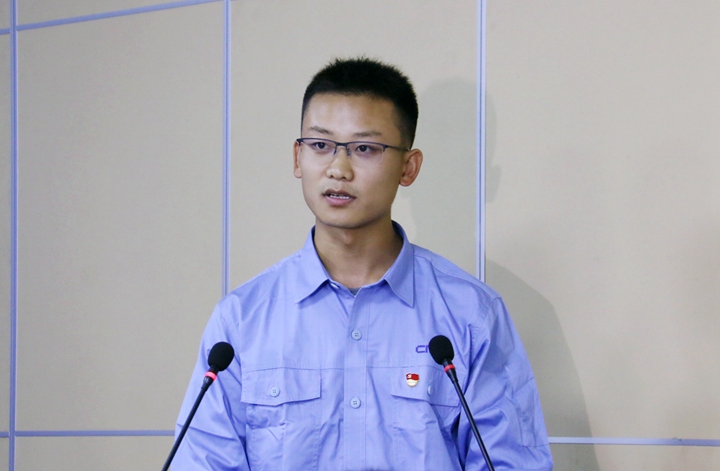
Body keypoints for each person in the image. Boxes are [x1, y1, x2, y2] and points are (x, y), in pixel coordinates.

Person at [172, 57, 553, 471]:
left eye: (365, 149)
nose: (338, 169)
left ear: (408, 167)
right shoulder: (241, 321)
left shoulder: (470, 314)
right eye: (320, 146)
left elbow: (511, 463)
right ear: (297, 158)